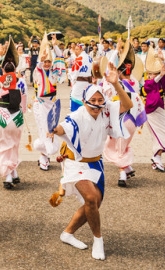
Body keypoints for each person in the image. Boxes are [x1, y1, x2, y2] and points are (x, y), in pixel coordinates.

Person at [48, 63, 133, 261]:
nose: (96, 104)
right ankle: (98, 240)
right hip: (75, 162)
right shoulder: (78, 115)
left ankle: (67, 233)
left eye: (99, 100)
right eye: (92, 100)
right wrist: (53, 129)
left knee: (94, 204)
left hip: (96, 163)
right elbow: (64, 127)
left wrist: (116, 84)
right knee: (91, 199)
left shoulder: (106, 111)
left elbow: (127, 106)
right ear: (85, 101)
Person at [102, 43, 146, 187]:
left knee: (116, 148)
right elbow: (139, 101)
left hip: (120, 119)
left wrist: (116, 52)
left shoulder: (114, 84)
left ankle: (122, 173)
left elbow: (106, 76)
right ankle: (128, 168)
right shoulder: (134, 83)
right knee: (122, 145)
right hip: (132, 120)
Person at [0, 40, 27, 189]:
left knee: (0, 145)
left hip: (3, 115)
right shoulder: (22, 81)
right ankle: (14, 172)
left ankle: (7, 174)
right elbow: (24, 102)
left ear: (2, 67)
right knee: (14, 145)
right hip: (18, 116)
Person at [141, 48, 165, 172]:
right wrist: (158, 76)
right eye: (151, 73)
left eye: (154, 73)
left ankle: (156, 157)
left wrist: (163, 60)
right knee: (157, 135)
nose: (153, 75)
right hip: (151, 111)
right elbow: (151, 84)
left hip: (159, 109)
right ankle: (157, 157)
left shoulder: (159, 81)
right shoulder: (147, 83)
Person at [32, 36, 60, 171]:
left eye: (49, 61)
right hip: (40, 103)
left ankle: (45, 153)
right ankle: (44, 155)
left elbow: (60, 60)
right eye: (45, 62)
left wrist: (54, 46)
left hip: (52, 103)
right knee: (43, 129)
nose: (47, 64)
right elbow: (38, 68)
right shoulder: (39, 71)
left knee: (51, 130)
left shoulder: (54, 72)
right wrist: (41, 61)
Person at [68, 44, 93, 111]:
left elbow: (74, 71)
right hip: (87, 82)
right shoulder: (89, 57)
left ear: (82, 50)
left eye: (77, 49)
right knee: (85, 98)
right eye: (75, 49)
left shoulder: (79, 58)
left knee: (75, 97)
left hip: (79, 82)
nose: (76, 51)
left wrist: (70, 74)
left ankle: (76, 115)